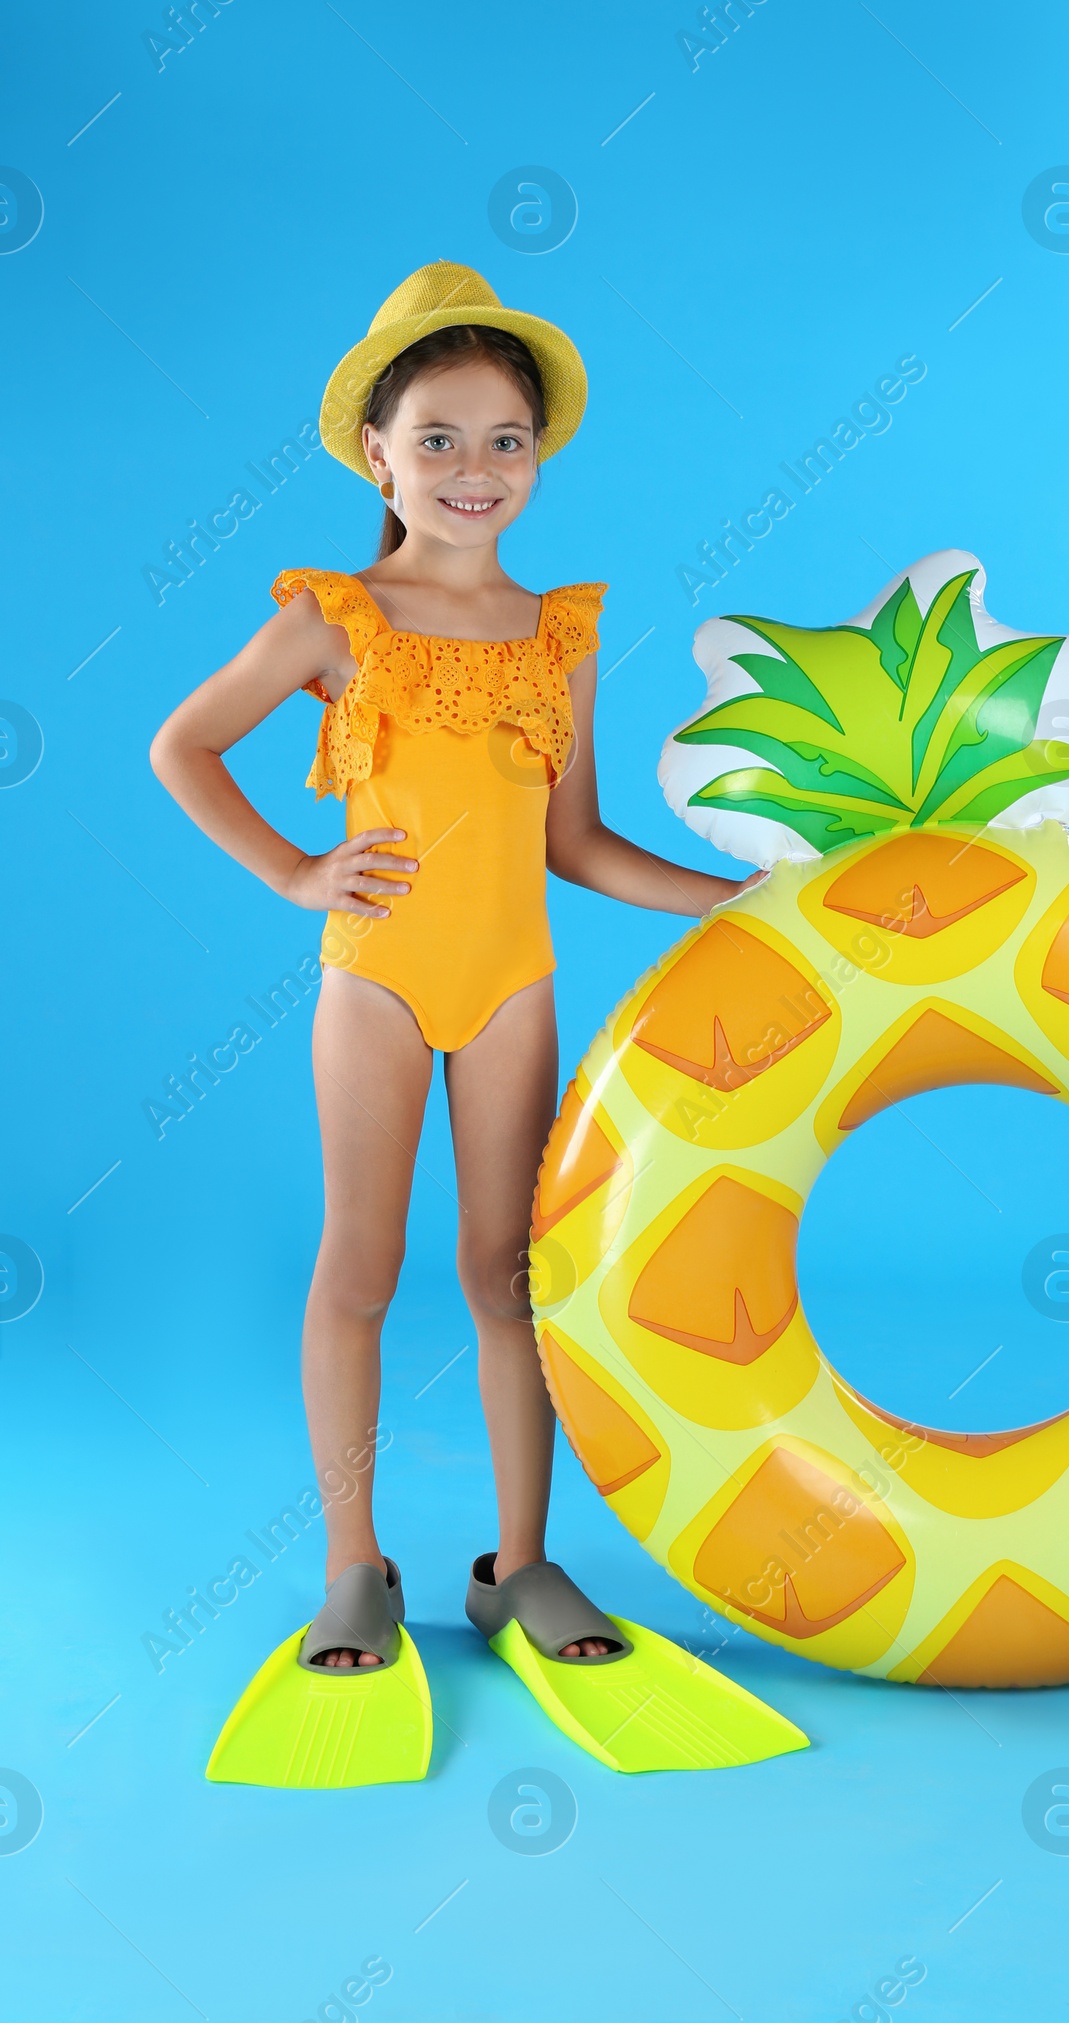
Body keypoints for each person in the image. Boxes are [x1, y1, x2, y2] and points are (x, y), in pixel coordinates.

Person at [152, 261, 752, 1672]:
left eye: (506, 442)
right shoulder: (333, 616)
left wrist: (739, 900)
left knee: (509, 1276)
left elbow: (580, 843)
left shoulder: (560, 635)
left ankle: (521, 1563)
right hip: (376, 977)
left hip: (513, 987)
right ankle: (354, 1565)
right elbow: (184, 745)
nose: (474, 470)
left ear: (537, 457)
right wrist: (301, 874)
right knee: (358, 1268)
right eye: (438, 439)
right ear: (377, 452)